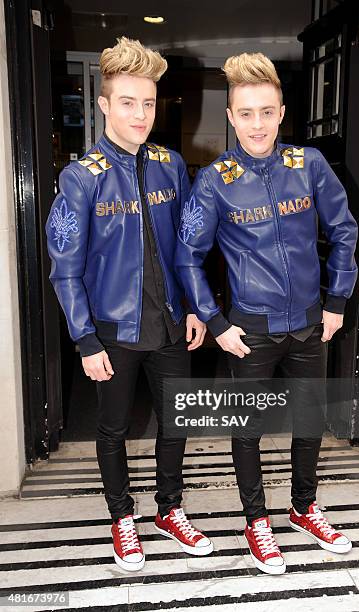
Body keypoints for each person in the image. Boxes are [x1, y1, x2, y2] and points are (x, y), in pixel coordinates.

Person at [175, 52, 358, 574]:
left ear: (282, 113)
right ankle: (256, 521)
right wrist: (215, 322)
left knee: (309, 422)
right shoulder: (214, 180)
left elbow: (344, 230)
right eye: (246, 113)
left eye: (267, 111)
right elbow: (188, 255)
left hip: (308, 323)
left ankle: (303, 506)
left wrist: (337, 302)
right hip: (248, 330)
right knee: (247, 430)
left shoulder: (310, 165)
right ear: (231, 117)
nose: (257, 124)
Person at [46, 37, 213, 573]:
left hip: (169, 325)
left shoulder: (170, 165)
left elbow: (187, 248)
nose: (140, 114)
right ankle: (121, 516)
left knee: (176, 422)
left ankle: (170, 508)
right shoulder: (79, 178)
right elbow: (65, 269)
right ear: (104, 103)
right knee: (113, 430)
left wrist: (194, 307)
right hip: (113, 332)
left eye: (148, 103)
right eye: (127, 102)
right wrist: (84, 338)